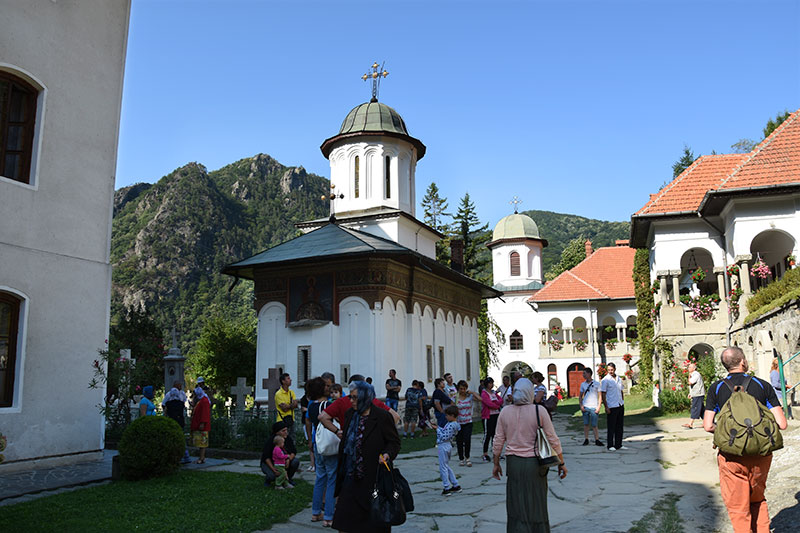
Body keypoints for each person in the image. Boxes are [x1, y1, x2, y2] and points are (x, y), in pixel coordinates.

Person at [704, 347, 787, 533]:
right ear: (743, 362)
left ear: (725, 365)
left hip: (731, 456)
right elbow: (782, 424)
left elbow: (708, 425)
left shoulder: (716, 388)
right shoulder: (763, 385)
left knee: (738, 507)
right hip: (761, 454)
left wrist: (728, 434)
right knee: (757, 499)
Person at [492, 378, 567, 532]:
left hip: (513, 463)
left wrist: (496, 463)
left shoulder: (505, 412)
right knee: (536, 502)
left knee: (516, 503)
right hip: (535, 464)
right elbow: (553, 439)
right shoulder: (539, 411)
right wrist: (561, 462)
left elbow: (498, 440)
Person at [331, 380, 401, 533]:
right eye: (351, 397)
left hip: (373, 479)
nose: (351, 401)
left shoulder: (382, 417)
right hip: (351, 477)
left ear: (365, 398)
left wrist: (387, 454)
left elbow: (394, 442)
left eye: (355, 397)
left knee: (373, 523)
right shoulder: (350, 414)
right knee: (344, 522)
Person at [307, 377, 337, 527]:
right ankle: (329, 516)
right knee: (332, 479)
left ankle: (315, 512)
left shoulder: (311, 406)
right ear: (320, 389)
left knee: (320, 478)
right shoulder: (327, 405)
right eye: (325, 386)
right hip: (329, 444)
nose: (328, 388)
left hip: (318, 444)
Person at [430, 405, 462, 495]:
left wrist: (437, 430)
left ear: (452, 415)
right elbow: (445, 432)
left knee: (443, 467)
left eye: (447, 415)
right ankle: (455, 484)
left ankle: (446, 487)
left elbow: (444, 436)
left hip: (443, 446)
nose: (446, 417)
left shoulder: (452, 425)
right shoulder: (454, 424)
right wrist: (438, 428)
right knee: (446, 466)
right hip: (447, 445)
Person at [261, 420, 300, 486]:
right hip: (271, 463)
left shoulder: (288, 439)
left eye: (286, 430)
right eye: (283, 431)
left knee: (295, 461)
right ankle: (268, 480)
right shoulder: (271, 441)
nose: (286, 432)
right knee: (272, 476)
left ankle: (288, 479)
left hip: (283, 461)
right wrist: (273, 469)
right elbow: (266, 457)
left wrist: (289, 459)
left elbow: (293, 451)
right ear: (277, 432)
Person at [162, 381, 191, 463]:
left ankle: (180, 456)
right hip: (179, 420)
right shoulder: (180, 402)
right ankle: (185, 456)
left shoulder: (169, 400)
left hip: (172, 420)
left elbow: (164, 404)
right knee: (181, 437)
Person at [455, 380, 481, 466]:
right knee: (459, 441)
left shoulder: (469, 397)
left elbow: (480, 399)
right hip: (458, 422)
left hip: (468, 421)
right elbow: (452, 406)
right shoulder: (456, 397)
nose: (462, 390)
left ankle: (467, 457)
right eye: (460, 389)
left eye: (464, 388)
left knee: (467, 440)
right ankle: (461, 458)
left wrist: (473, 392)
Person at [601, 362, 626, 451]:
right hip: (611, 405)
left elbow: (621, 390)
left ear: (615, 369)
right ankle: (610, 445)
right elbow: (603, 394)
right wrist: (606, 406)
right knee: (611, 426)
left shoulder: (618, 378)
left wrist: (622, 401)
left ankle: (618, 444)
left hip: (619, 404)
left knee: (619, 426)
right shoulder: (605, 380)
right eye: (609, 370)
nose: (610, 371)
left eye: (612, 370)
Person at [579, 368, 604, 447]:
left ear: (589, 374)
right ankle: (586, 439)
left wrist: (599, 406)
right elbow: (580, 396)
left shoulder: (596, 384)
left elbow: (600, 396)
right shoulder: (583, 384)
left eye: (584, 373)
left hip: (594, 406)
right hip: (586, 406)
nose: (583, 375)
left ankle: (597, 439)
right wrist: (581, 405)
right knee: (586, 424)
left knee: (594, 424)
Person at [480, 377, 503, 462]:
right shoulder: (484, 393)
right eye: (490, 383)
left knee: (495, 435)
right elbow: (488, 403)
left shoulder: (493, 393)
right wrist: (496, 405)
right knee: (487, 435)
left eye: (492, 383)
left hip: (496, 415)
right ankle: (485, 453)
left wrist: (496, 403)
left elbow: (500, 400)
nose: (491, 385)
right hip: (488, 416)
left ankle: (495, 453)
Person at [275, 373, 298, 446]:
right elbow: (284, 408)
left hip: (291, 419)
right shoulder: (279, 394)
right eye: (288, 378)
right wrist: (291, 405)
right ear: (283, 381)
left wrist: (288, 405)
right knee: (282, 439)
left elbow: (296, 404)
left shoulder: (291, 392)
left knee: (292, 438)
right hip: (282, 420)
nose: (290, 380)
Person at [190, 382, 211, 464]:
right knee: (200, 442)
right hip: (199, 424)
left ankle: (201, 458)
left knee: (202, 443)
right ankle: (201, 457)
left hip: (202, 425)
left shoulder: (204, 401)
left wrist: (203, 423)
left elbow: (205, 413)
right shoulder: (201, 400)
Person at [683, 362, 705, 429]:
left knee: (695, 408)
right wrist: (690, 394)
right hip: (696, 394)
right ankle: (707, 422)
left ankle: (690, 423)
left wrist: (689, 376)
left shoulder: (696, 374)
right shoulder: (694, 374)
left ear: (694, 368)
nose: (688, 368)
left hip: (698, 394)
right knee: (701, 409)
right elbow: (692, 386)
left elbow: (690, 382)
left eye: (690, 367)